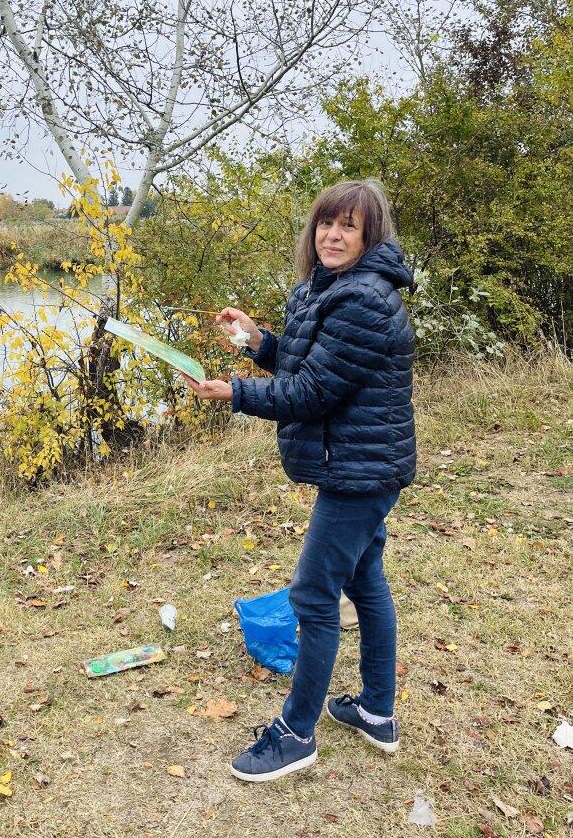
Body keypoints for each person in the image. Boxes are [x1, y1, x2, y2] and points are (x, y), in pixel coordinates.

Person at [182, 178, 416, 783]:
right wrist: (257, 341)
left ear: (369, 237)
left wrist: (232, 393)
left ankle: (295, 733)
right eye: (325, 224)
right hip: (362, 463)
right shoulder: (334, 289)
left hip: (358, 473)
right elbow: (308, 363)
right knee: (364, 579)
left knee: (314, 596)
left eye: (348, 227)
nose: (332, 236)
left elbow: (311, 393)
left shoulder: (364, 299)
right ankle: (376, 711)